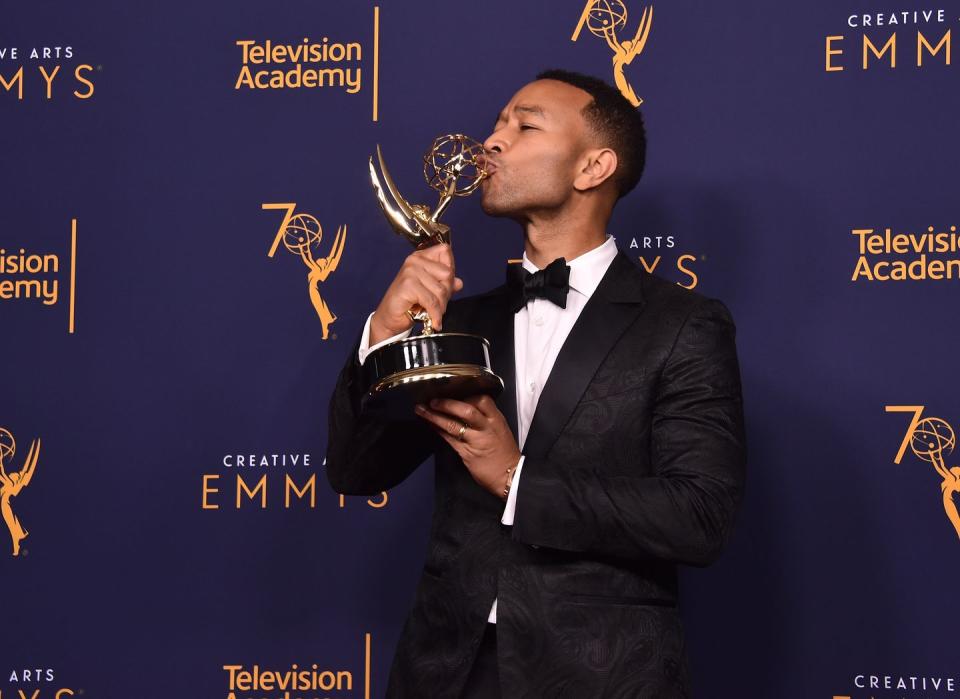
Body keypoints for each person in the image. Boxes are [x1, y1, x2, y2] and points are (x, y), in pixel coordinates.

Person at [326, 69, 746, 698]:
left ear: (593, 167)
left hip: (601, 676)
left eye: (524, 125)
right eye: (496, 124)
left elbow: (700, 517)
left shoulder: (684, 326)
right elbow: (356, 472)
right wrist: (382, 339)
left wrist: (517, 479)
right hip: (445, 673)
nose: (491, 142)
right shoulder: (457, 322)